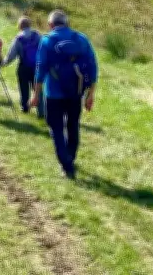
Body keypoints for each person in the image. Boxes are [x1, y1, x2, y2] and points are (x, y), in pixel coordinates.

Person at [31, 10, 98, 180]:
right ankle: (71, 157)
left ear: (50, 25)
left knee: (56, 127)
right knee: (73, 125)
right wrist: (90, 94)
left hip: (54, 93)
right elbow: (93, 66)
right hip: (76, 92)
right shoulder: (81, 38)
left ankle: (66, 164)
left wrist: (36, 95)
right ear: (67, 23)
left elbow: (40, 69)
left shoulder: (47, 40)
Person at [2, 16, 43, 116]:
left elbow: (11, 55)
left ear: (20, 26)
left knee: (24, 88)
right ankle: (41, 110)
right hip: (37, 67)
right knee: (38, 89)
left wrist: (2, 63)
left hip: (23, 67)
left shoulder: (18, 38)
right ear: (29, 24)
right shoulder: (37, 35)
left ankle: (25, 107)